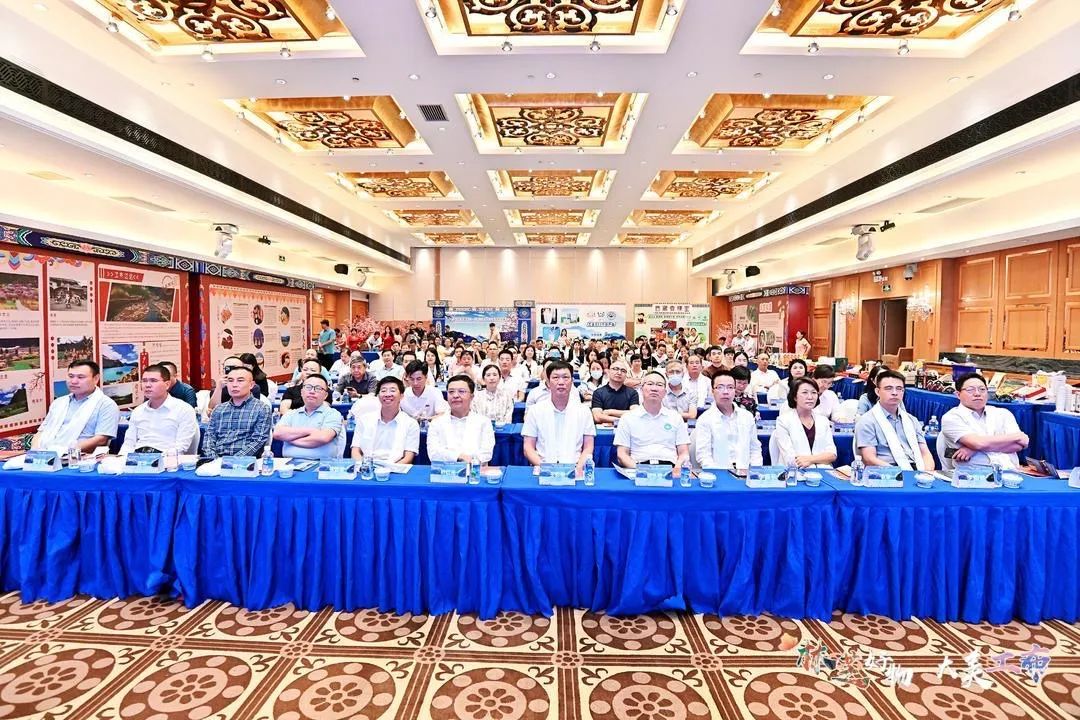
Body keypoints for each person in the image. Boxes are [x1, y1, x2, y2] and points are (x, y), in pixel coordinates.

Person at [940, 372, 1028, 471]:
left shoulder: (1003, 413)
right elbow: (978, 443)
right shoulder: (952, 417)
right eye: (970, 390)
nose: (977, 393)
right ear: (958, 394)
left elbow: (1018, 445)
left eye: (982, 389)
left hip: (1009, 472)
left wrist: (973, 449)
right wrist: (1016, 436)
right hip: (973, 474)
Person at [522, 360, 596, 473]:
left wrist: (578, 468)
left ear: (572, 381)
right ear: (548, 382)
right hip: (543, 469)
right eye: (556, 377)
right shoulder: (535, 410)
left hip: (575, 469)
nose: (561, 382)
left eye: (565, 377)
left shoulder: (584, 411)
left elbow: (588, 447)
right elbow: (528, 448)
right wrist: (546, 469)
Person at [32, 359, 119, 454]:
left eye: (80, 377)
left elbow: (101, 439)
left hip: (79, 457)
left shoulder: (106, 405)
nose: (73, 381)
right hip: (45, 454)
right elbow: (41, 431)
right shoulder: (58, 402)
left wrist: (66, 451)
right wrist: (34, 451)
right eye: (71, 376)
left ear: (96, 379)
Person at [855, 370, 934, 470]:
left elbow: (925, 454)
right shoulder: (867, 421)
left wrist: (927, 472)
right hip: (887, 471)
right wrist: (900, 473)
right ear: (877, 392)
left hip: (917, 469)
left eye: (899, 389)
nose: (894, 393)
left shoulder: (912, 420)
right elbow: (869, 459)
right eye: (888, 388)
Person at [614, 370, 690, 473]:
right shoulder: (628, 418)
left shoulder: (675, 417)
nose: (654, 388)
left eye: (659, 385)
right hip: (638, 468)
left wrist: (676, 470)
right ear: (641, 389)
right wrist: (642, 472)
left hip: (670, 470)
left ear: (665, 392)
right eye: (650, 384)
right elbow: (622, 455)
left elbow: (684, 453)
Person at [695, 369, 762, 473]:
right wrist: (718, 475)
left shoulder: (747, 417)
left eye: (730, 387)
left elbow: (755, 449)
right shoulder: (705, 419)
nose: (725, 392)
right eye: (720, 387)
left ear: (735, 390)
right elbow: (703, 455)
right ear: (712, 391)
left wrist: (755, 471)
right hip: (718, 475)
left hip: (746, 475)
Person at [202, 365, 273, 458]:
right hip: (215, 460)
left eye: (240, 380)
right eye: (230, 380)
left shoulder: (262, 409)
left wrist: (232, 461)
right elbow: (209, 438)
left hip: (245, 461)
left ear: (251, 385)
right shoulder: (218, 409)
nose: (234, 385)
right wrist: (214, 459)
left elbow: (258, 441)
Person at [427, 374, 496, 466]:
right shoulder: (436, 423)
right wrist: (459, 457)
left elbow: (486, 454)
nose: (455, 395)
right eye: (451, 392)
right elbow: (433, 454)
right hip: (445, 472)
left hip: (474, 471)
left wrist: (467, 460)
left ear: (472, 396)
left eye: (461, 391)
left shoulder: (484, 422)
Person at [272, 373, 345, 459]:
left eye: (318, 388)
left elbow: (323, 437)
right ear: (302, 392)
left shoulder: (332, 414)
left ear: (325, 395)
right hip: (289, 463)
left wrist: (290, 439)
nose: (312, 391)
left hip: (322, 464)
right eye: (308, 387)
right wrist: (311, 431)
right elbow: (277, 433)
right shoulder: (291, 414)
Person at [350, 376, 420, 464]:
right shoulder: (364, 420)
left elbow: (408, 457)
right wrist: (364, 467)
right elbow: (355, 450)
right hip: (366, 467)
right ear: (378, 396)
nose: (387, 394)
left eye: (392, 390)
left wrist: (390, 469)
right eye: (383, 391)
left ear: (401, 396)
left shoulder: (411, 423)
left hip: (396, 468)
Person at [772, 378, 837, 468]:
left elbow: (832, 454)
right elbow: (790, 458)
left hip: (823, 471)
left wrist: (810, 459)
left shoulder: (823, 421)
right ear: (795, 397)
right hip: (795, 472)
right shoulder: (783, 421)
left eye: (814, 393)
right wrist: (819, 459)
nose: (810, 397)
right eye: (805, 392)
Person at [591, 359, 640, 424]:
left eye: (623, 371)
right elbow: (597, 417)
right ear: (609, 371)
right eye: (616, 369)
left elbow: (635, 414)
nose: (619, 372)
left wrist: (610, 412)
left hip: (627, 428)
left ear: (626, 375)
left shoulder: (632, 393)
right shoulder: (598, 393)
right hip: (604, 429)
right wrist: (620, 420)